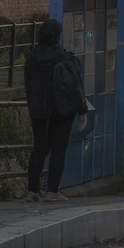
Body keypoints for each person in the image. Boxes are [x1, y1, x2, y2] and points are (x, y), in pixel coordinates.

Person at [23, 19, 86, 201]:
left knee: (39, 148)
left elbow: (28, 86)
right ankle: (52, 191)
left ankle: (32, 190)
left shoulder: (31, 59)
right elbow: (74, 87)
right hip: (61, 111)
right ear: (57, 37)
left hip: (38, 111)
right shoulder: (64, 59)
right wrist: (82, 110)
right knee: (58, 149)